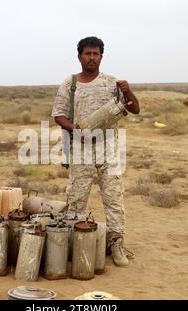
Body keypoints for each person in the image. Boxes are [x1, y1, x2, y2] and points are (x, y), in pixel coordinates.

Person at [51, 36, 140, 267]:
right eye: (87, 53)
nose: (92, 57)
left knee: (113, 199)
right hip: (80, 152)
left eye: (96, 53)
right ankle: (72, 243)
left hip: (109, 151)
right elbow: (59, 114)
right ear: (79, 56)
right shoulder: (69, 84)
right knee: (76, 199)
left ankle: (117, 245)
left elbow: (134, 109)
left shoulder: (112, 83)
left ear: (101, 56)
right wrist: (75, 130)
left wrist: (128, 92)